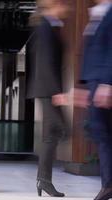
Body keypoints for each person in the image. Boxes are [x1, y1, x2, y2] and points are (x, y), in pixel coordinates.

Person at [26, 0, 69, 197]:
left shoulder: (50, 25)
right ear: (54, 5)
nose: (66, 8)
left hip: (47, 89)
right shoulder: (45, 26)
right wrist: (56, 91)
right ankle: (43, 179)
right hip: (48, 89)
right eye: (63, 4)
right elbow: (45, 61)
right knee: (62, 130)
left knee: (51, 135)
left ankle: (44, 180)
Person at [78, 1, 112, 199]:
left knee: (104, 134)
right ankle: (108, 184)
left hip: (105, 84)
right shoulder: (97, 14)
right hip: (94, 83)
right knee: (102, 134)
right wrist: (84, 86)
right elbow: (90, 53)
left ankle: (108, 185)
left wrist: (108, 82)